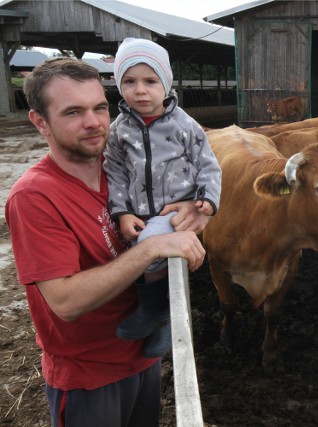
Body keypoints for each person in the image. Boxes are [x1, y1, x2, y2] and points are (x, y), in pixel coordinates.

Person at [5, 57, 209, 426]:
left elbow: (197, 185)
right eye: (73, 112)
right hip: (90, 377)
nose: (94, 123)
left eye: (100, 107)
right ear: (40, 122)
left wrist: (195, 209)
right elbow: (65, 302)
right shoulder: (36, 196)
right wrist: (151, 248)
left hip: (144, 355)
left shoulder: (127, 170)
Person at [103, 38, 222, 358]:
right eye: (129, 81)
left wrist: (208, 201)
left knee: (148, 247)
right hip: (140, 210)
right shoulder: (118, 129)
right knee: (138, 249)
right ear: (118, 84)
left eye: (150, 81)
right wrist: (122, 211)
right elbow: (114, 171)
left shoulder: (185, 125)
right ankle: (165, 321)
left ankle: (153, 310)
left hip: (175, 209)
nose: (140, 90)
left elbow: (209, 165)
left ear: (166, 84)